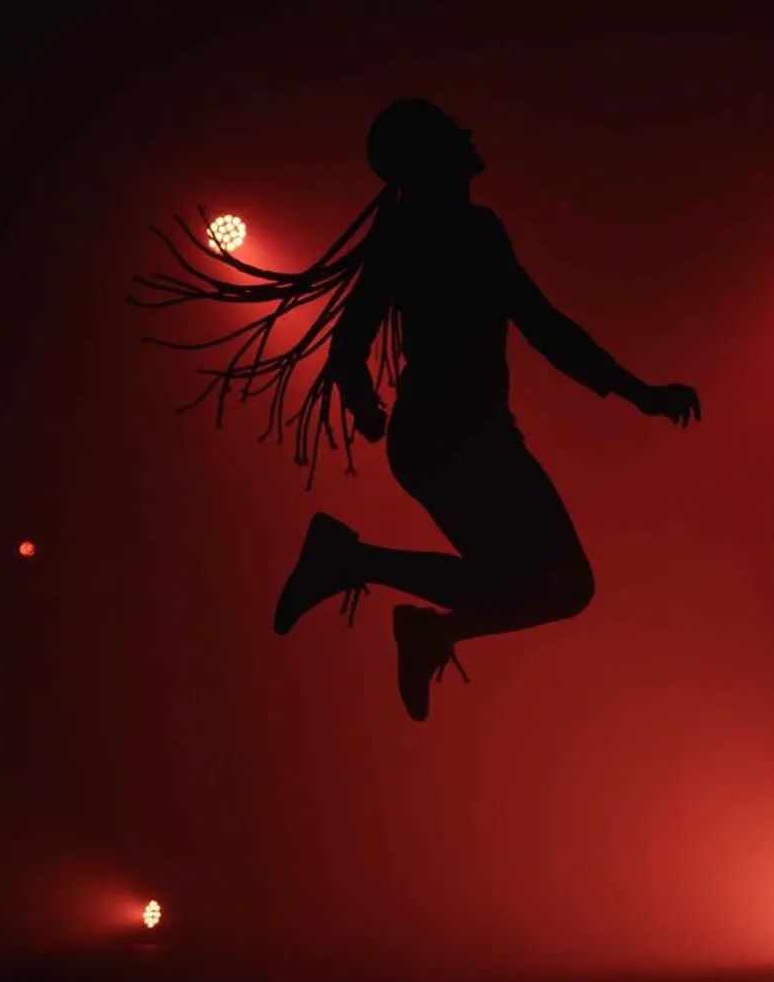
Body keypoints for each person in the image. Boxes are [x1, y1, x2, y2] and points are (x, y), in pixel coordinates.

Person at [134, 98, 700, 722]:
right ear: (431, 154)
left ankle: (393, 598)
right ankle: (383, 589)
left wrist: (363, 405)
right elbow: (541, 326)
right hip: (458, 438)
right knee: (561, 586)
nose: (468, 132)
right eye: (452, 130)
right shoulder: (459, 231)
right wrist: (638, 393)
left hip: (445, 438)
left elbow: (353, 343)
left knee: (544, 586)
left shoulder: (418, 233)